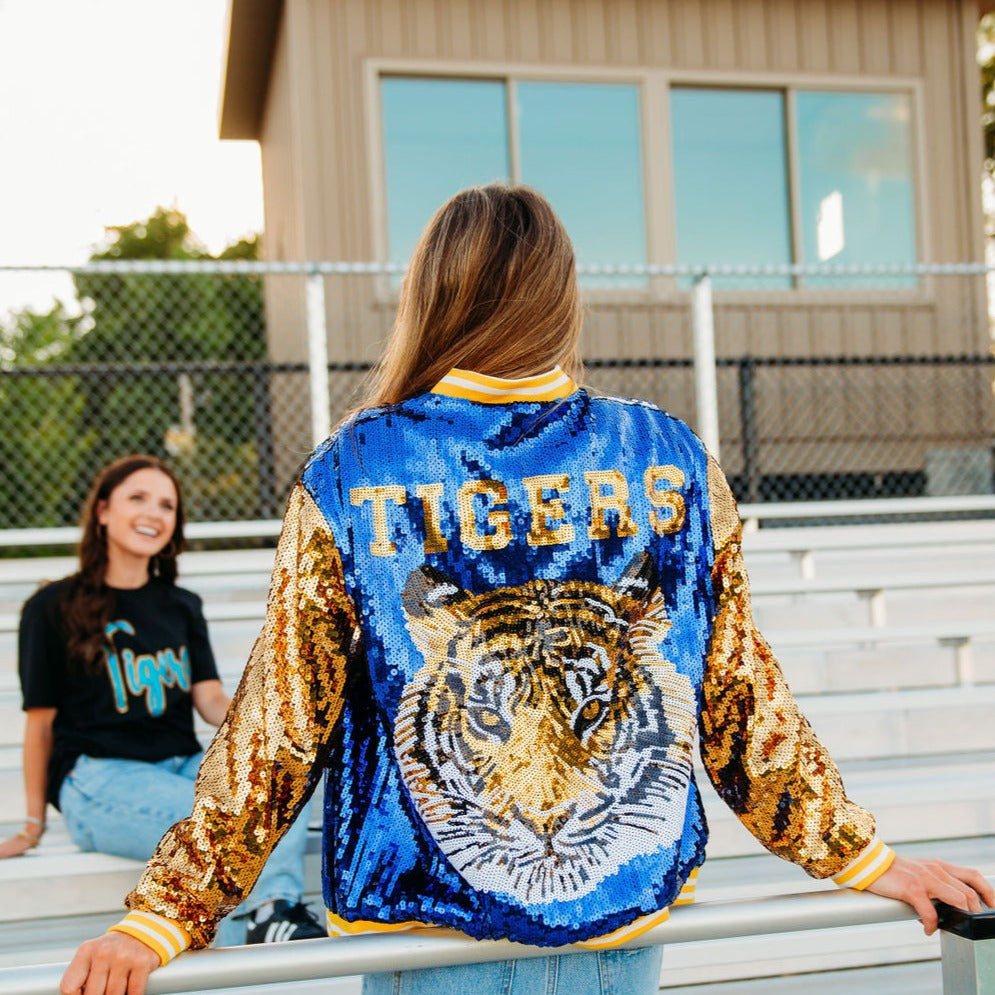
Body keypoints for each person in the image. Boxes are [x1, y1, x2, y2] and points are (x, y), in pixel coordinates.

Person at [61, 187, 993, 995]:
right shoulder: (665, 453)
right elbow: (739, 695)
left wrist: (164, 913)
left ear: (430, 292)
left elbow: (276, 727)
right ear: (560, 298)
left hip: (433, 926)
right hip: (619, 923)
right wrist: (859, 853)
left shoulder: (356, 468)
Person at [3, 454, 325, 947]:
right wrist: (31, 825)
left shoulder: (181, 605)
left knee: (282, 786)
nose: (153, 512)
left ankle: (272, 913)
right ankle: (272, 912)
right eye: (138, 498)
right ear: (103, 511)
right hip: (99, 777)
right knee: (222, 822)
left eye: (167, 505)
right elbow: (39, 725)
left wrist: (276, 735)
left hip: (183, 764)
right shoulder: (51, 607)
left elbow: (212, 701)